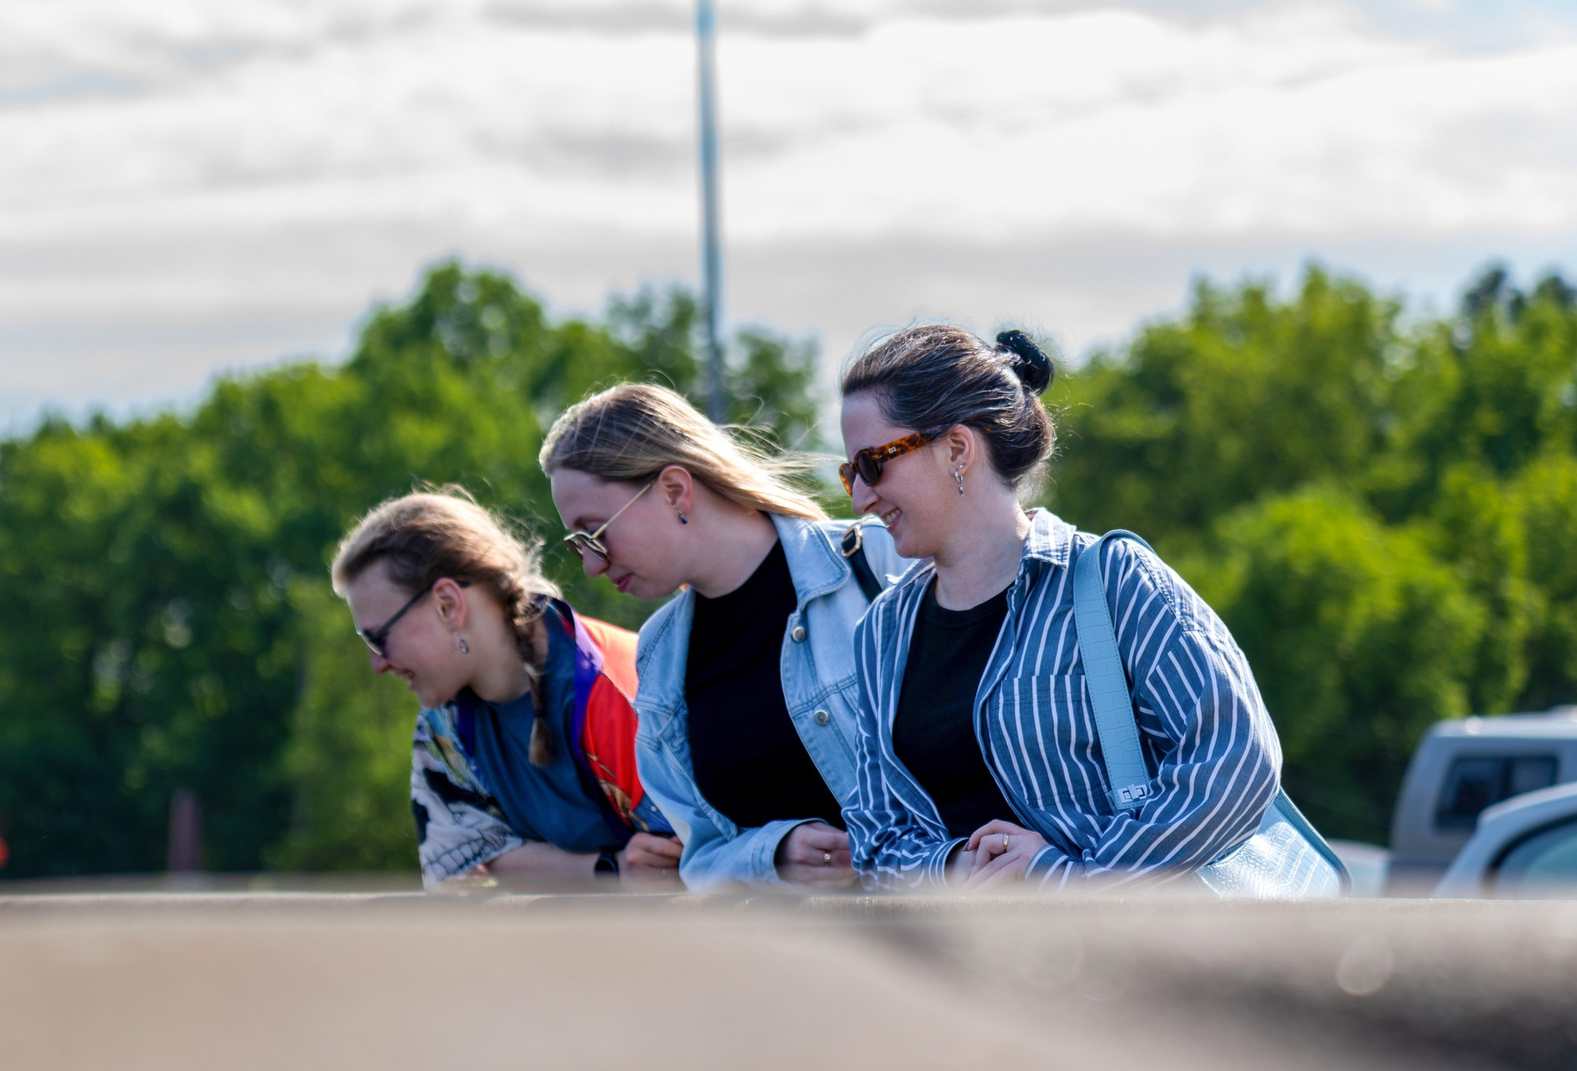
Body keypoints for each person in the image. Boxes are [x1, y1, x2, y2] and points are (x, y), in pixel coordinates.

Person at [836, 324, 1285, 888]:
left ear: (957, 448)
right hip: (960, 972)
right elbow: (876, 837)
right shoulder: (882, 630)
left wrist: (1075, 883)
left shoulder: (1113, 580)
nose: (859, 497)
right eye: (850, 471)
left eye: (874, 464)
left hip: (1131, 967)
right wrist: (956, 869)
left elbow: (1236, 764)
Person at [541, 384, 899, 890]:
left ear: (673, 490)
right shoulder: (659, 654)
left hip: (952, 946)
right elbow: (701, 859)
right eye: (579, 544)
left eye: (595, 533)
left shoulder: (885, 564)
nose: (593, 565)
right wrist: (770, 856)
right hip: (791, 963)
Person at [332, 489, 682, 888]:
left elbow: (681, 865)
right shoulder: (444, 720)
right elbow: (463, 866)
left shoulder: (605, 692)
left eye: (378, 640)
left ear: (448, 604)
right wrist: (612, 869)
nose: (378, 665)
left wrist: (532, 870)